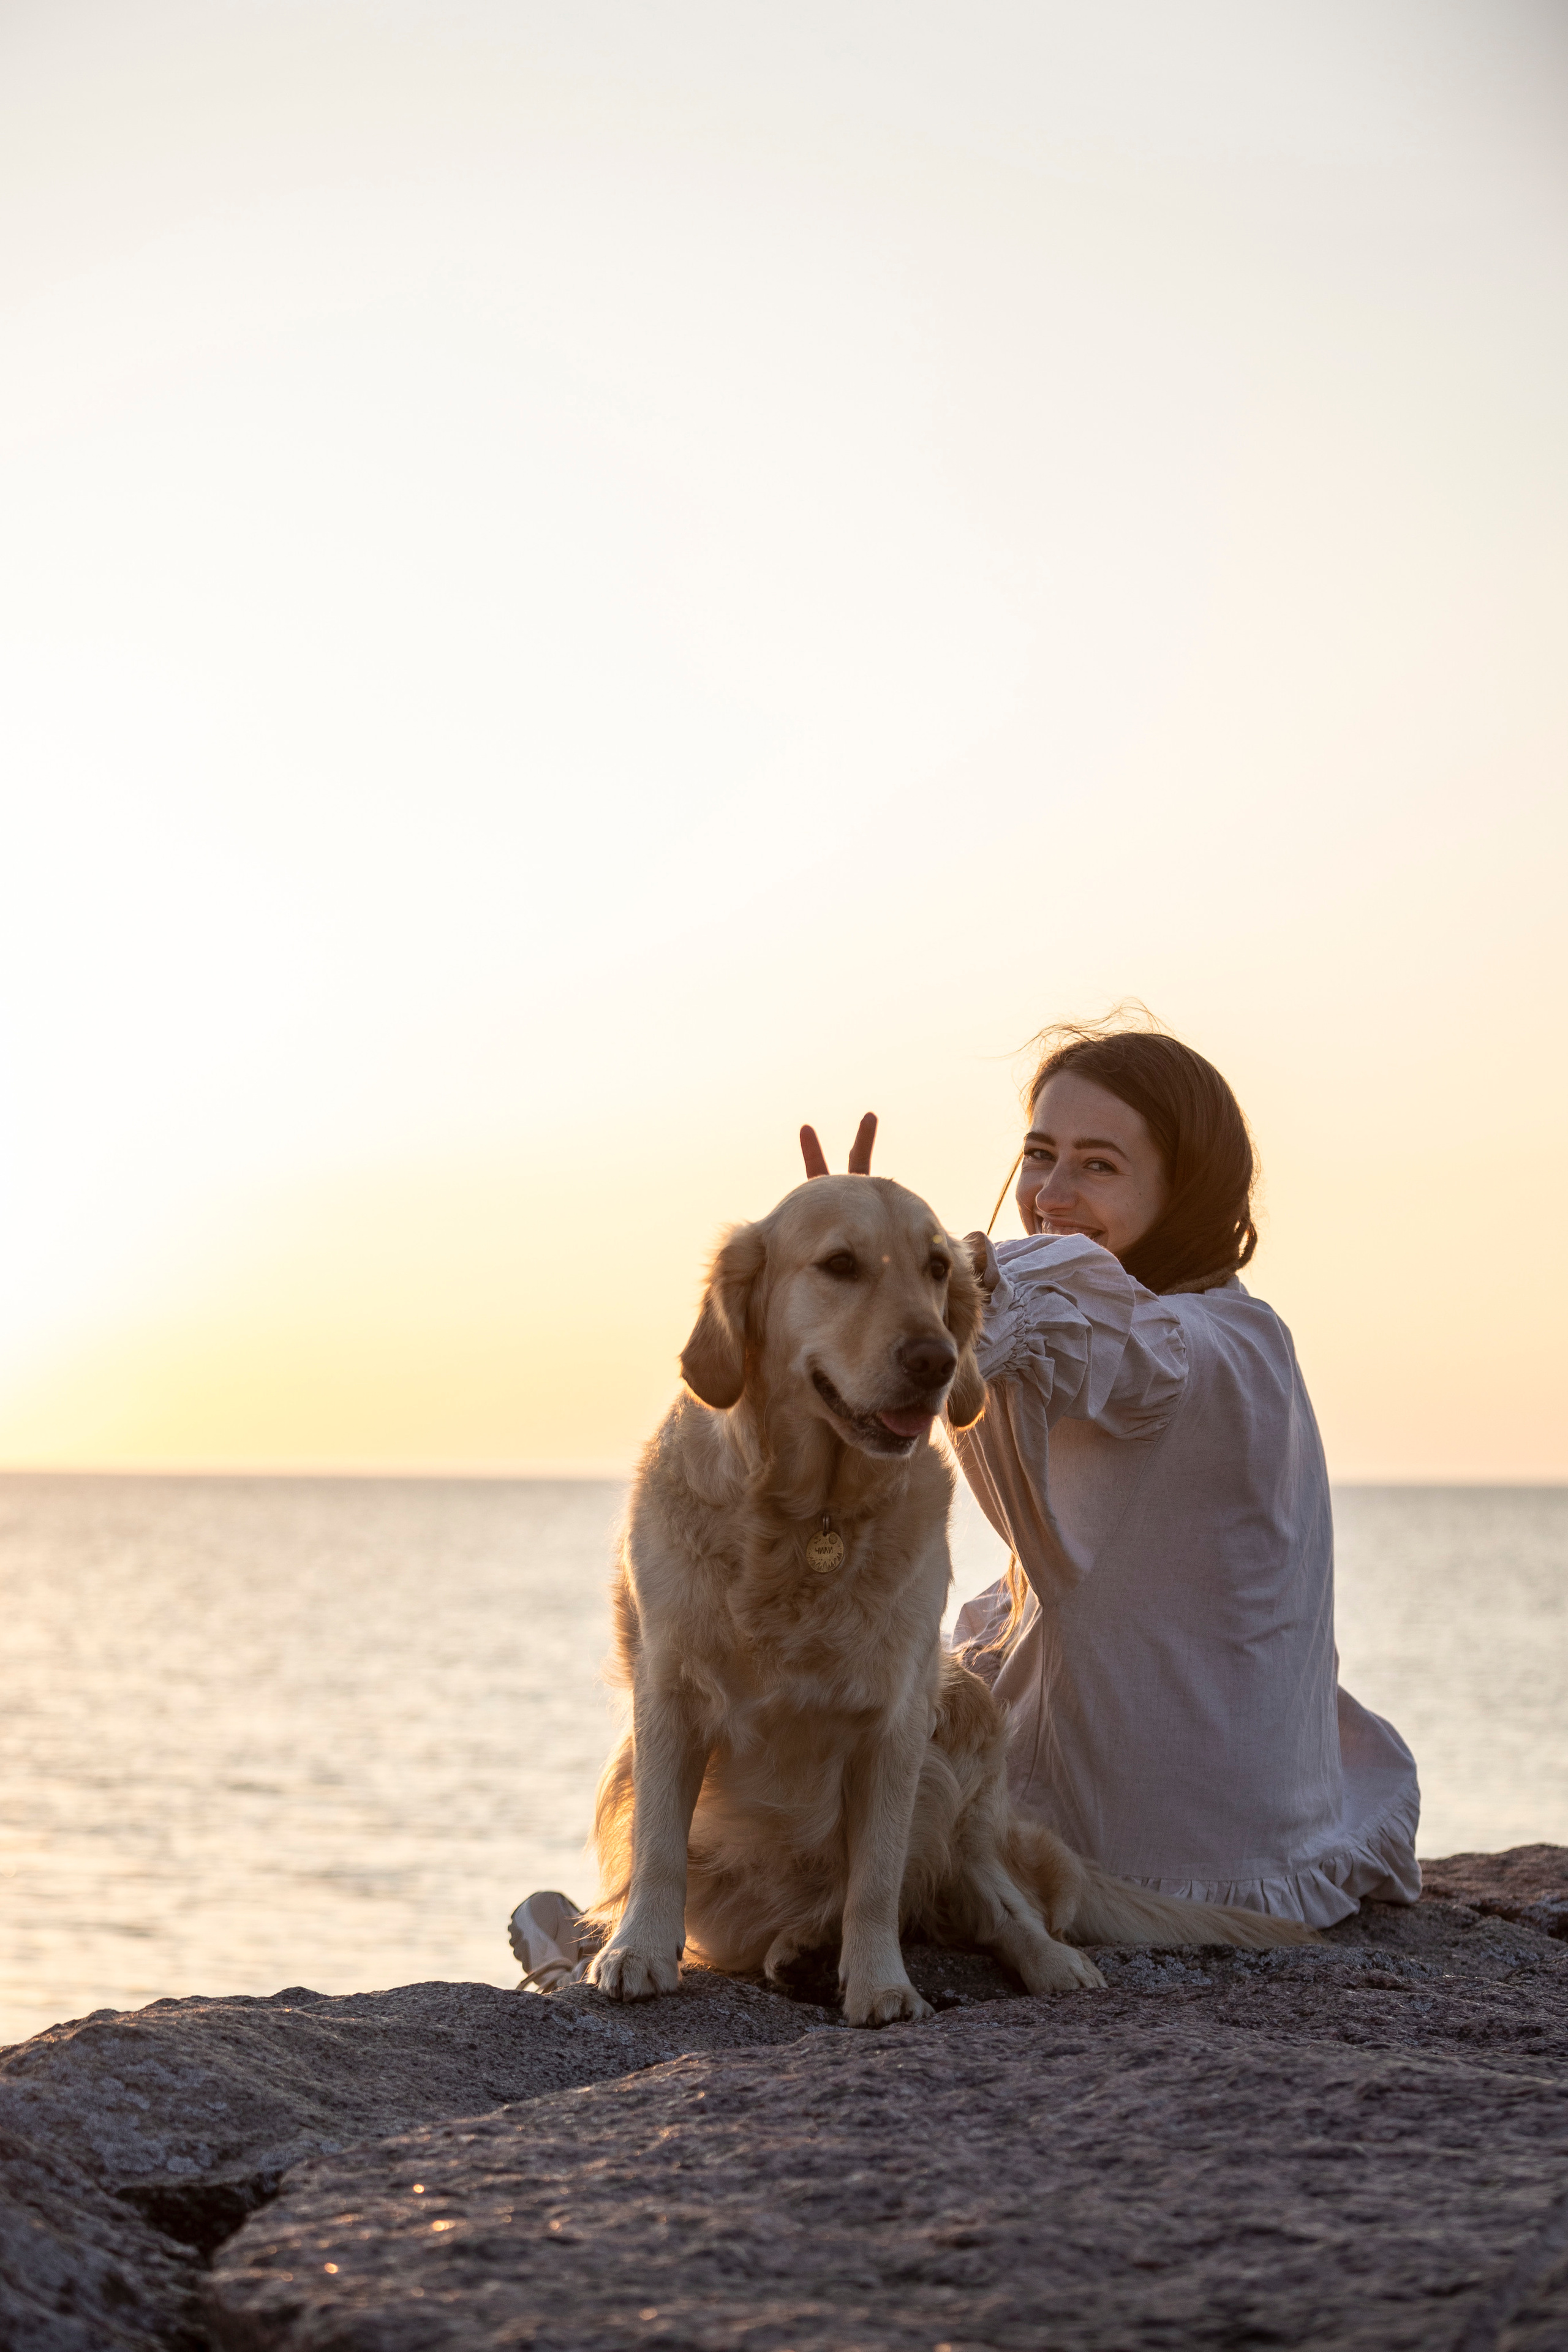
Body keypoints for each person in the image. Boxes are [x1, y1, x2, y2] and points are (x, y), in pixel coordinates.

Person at [802, 1018, 1420, 1926]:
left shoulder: (1173, 1346)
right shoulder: (1243, 1330)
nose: (1051, 1194)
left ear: (1187, 1187)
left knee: (803, 1724)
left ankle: (627, 1944)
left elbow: (1037, 1311)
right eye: (1040, 1154)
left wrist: (865, 1266)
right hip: (1239, 1800)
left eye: (1100, 1166)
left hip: (1138, 1838)